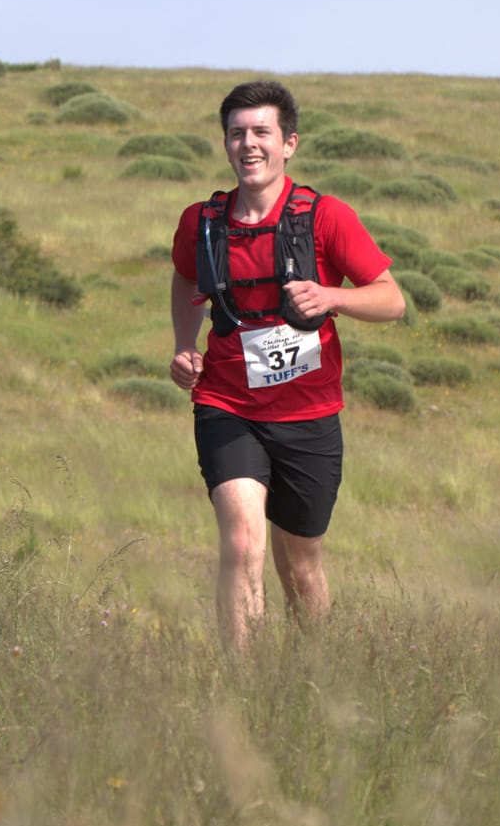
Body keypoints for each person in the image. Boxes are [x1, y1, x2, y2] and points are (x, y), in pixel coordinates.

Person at [170, 79, 405, 650]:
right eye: (236, 134)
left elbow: (392, 299)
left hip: (309, 415)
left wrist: (334, 298)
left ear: (289, 143)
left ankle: (313, 675)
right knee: (243, 543)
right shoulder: (203, 222)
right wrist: (184, 343)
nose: (248, 144)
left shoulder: (327, 218)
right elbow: (184, 279)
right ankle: (242, 691)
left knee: (300, 566)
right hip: (227, 405)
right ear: (225, 143)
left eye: (261, 133)